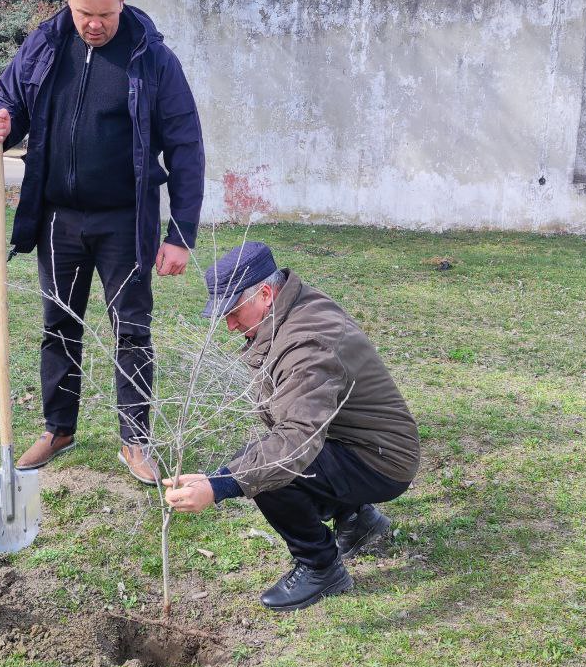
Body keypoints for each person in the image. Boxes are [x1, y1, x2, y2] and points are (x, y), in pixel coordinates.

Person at [0, 0, 204, 485]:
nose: (94, 24)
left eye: (104, 14)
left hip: (126, 221)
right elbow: (9, 105)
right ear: (69, 1)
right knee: (59, 325)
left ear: (121, 2)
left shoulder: (153, 60)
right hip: (59, 217)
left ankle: (135, 439)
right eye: (84, 13)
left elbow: (186, 147)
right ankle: (59, 428)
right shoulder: (46, 44)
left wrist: (180, 235)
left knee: (132, 328)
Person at [163, 242, 420, 611]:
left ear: (266, 294)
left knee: (264, 470)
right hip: (363, 442)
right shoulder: (292, 306)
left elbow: (296, 441)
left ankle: (321, 567)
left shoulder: (307, 341)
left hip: (381, 460)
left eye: (234, 311)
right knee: (266, 460)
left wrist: (220, 484)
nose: (230, 325)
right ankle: (356, 516)